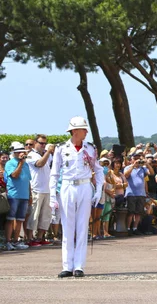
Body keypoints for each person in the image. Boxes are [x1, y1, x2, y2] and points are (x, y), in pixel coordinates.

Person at [50, 116, 104, 278]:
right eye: (83, 129)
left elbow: (99, 169)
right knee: (68, 227)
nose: (86, 131)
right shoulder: (61, 148)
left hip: (85, 186)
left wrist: (99, 189)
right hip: (67, 186)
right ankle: (67, 265)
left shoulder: (90, 148)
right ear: (74, 131)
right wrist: (53, 195)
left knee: (82, 227)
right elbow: (54, 173)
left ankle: (79, 265)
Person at [25, 134, 55, 245]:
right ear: (36, 143)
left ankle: (40, 237)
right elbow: (39, 164)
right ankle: (29, 238)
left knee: (45, 215)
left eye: (45, 143)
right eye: (41, 143)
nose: (43, 145)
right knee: (34, 215)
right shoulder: (31, 155)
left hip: (47, 189)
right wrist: (48, 152)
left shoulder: (47, 155)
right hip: (36, 189)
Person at [4, 143, 31, 251]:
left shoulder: (26, 164)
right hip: (13, 195)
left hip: (24, 195)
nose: (22, 153)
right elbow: (14, 175)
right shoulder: (10, 163)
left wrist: (30, 195)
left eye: (23, 151)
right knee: (10, 219)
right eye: (19, 152)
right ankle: (8, 241)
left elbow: (28, 180)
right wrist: (20, 163)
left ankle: (16, 241)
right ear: (14, 153)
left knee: (20, 219)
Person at [124, 150, 148, 235]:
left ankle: (135, 228)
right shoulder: (128, 167)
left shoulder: (143, 168)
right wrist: (133, 165)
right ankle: (128, 228)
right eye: (135, 158)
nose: (137, 160)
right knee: (131, 212)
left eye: (138, 158)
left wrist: (146, 163)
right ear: (131, 159)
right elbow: (126, 175)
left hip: (141, 194)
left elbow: (151, 173)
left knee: (138, 213)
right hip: (131, 193)